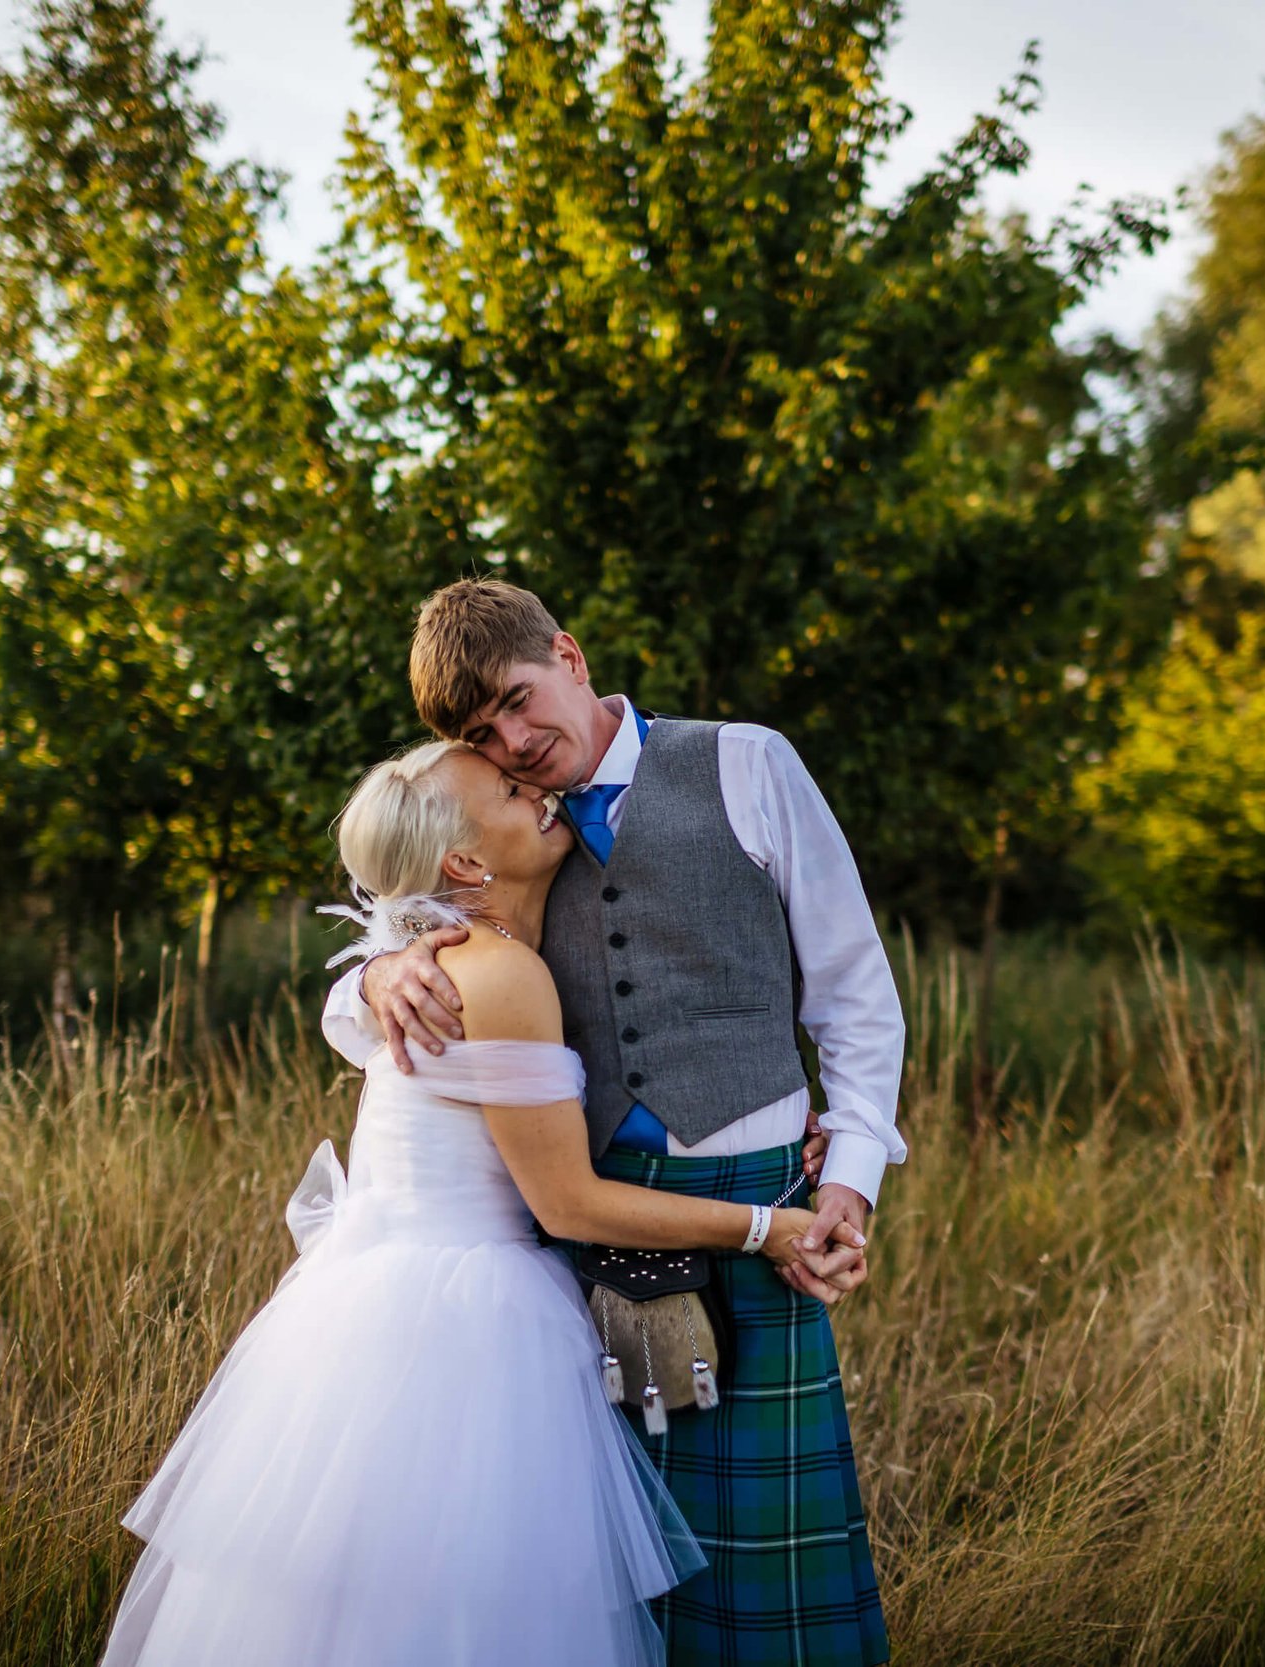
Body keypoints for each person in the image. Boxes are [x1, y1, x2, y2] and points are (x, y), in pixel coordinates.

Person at [103, 740, 858, 1666]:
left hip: (385, 1306)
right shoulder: (494, 971)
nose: (539, 789)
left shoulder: (442, 958)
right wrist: (767, 1227)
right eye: (509, 788)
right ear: (463, 861)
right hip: (466, 1330)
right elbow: (570, 1203)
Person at [327, 579, 903, 1667]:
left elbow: (854, 991)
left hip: (755, 1197)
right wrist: (379, 975)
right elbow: (384, 982)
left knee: (770, 1581)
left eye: (516, 700)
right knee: (604, 1576)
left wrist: (852, 1169)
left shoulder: (748, 762)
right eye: (479, 734)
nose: (512, 741)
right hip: (573, 1230)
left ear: (570, 654)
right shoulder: (489, 835)